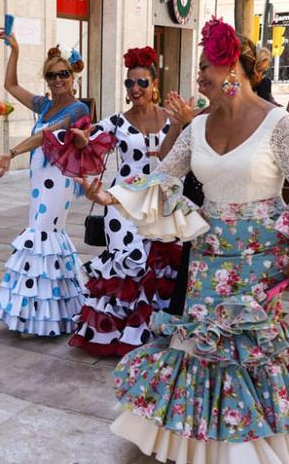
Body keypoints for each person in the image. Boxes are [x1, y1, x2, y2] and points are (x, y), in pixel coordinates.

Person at [80, 18, 289, 463]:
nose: (199, 76)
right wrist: (109, 195)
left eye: (206, 66)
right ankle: (203, 445)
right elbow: (161, 180)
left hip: (260, 262)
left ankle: (249, 451)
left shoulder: (278, 123)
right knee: (201, 348)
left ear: (233, 68)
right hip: (209, 258)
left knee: (250, 354)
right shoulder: (196, 127)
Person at [67, 46, 184, 355]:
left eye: (142, 82)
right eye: (129, 83)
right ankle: (114, 336)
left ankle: (150, 334)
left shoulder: (173, 120)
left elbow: (180, 156)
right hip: (122, 206)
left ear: (155, 84)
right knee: (127, 266)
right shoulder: (116, 123)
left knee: (157, 267)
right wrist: (81, 138)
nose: (135, 89)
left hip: (160, 205)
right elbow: (87, 141)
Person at [0, 32, 91, 336]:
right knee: (45, 238)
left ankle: (38, 314)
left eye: (63, 74)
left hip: (58, 181)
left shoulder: (78, 110)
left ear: (73, 77)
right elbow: (10, 86)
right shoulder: (44, 106)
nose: (58, 79)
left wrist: (11, 152)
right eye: (51, 75)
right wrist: (16, 50)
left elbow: (48, 136)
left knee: (41, 234)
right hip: (40, 179)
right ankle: (48, 311)